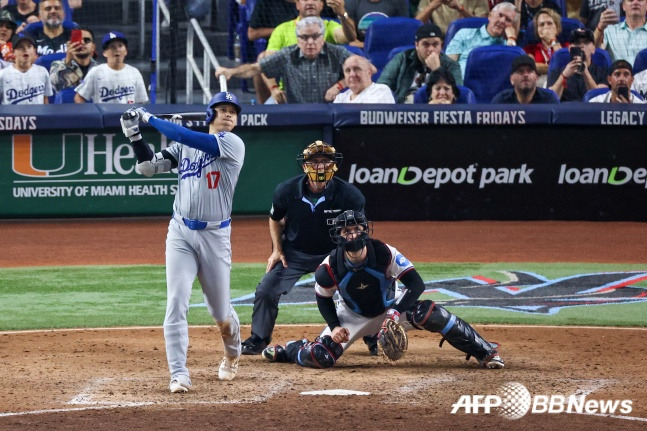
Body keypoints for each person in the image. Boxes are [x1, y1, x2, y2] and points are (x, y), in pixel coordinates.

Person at [261, 210, 505, 370]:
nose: (352, 234)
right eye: (347, 231)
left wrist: (397, 311)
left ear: (365, 230)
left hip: (391, 308)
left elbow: (416, 284)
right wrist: (335, 327)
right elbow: (323, 299)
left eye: (356, 228)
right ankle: (291, 349)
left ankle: (485, 352)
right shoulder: (328, 268)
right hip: (352, 318)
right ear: (339, 236)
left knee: (431, 313)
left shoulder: (384, 253)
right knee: (319, 357)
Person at [119, 92, 246, 392]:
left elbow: (183, 135)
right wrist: (134, 135)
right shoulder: (184, 148)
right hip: (180, 233)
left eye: (232, 111)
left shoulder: (232, 144)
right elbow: (148, 166)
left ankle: (232, 354)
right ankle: (179, 373)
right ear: (210, 115)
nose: (227, 115)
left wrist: (148, 117)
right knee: (176, 302)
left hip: (215, 236)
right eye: (221, 110)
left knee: (220, 314)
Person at [240, 141, 366, 355]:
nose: (320, 167)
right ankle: (259, 338)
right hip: (294, 254)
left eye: (325, 162)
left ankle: (372, 338)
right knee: (266, 289)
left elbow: (358, 229)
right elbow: (275, 219)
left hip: (334, 254)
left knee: (361, 286)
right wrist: (277, 251)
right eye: (315, 162)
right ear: (305, 165)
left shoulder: (349, 195)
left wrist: (351, 257)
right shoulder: (286, 190)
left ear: (333, 165)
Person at [216, 17, 351, 103]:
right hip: (294, 111)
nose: (310, 42)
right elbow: (255, 68)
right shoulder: (287, 55)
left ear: (322, 38)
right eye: (304, 37)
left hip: (330, 113)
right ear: (298, 40)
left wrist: (339, 86)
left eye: (315, 37)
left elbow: (368, 69)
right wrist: (231, 72)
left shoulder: (337, 52)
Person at [252, 0, 356, 104]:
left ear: (321, 5)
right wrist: (274, 88)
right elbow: (266, 62)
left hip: (330, 95)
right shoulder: (281, 29)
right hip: (289, 95)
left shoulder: (330, 26)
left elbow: (349, 37)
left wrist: (342, 14)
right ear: (297, 5)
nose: (310, 2)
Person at [378, 22, 462, 103]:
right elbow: (381, 87)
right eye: (426, 44)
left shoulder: (451, 65)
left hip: (436, 108)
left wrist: (437, 70)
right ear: (417, 45)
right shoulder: (402, 59)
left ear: (441, 45)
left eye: (435, 44)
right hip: (405, 108)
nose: (431, 49)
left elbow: (458, 94)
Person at [445, 2, 518, 77]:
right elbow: (448, 66)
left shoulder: (507, 46)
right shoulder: (464, 34)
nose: (502, 21)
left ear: (511, 26)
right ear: (490, 15)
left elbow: (512, 75)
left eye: (508, 20)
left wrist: (511, 38)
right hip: (461, 84)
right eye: (500, 15)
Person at [74, 31, 148, 104]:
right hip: (105, 115)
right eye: (112, 47)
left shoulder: (134, 72)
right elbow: (79, 97)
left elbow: (141, 101)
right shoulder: (96, 72)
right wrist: (89, 114)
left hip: (128, 114)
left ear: (126, 51)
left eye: (120, 46)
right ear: (104, 53)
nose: (117, 50)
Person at [548, 28, 608, 102]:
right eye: (577, 43)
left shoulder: (603, 73)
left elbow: (600, 101)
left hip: (592, 112)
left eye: (586, 42)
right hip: (566, 112)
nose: (581, 46)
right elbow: (550, 100)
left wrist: (585, 72)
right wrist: (564, 76)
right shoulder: (557, 72)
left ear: (593, 48)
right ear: (569, 48)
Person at [0, 32, 53, 104]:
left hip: (38, 114)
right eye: (21, 47)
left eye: (29, 46)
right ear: (13, 51)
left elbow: (45, 99)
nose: (25, 49)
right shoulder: (3, 74)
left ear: (34, 50)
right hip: (12, 115)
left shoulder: (42, 71)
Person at [594, 0, 647, 66]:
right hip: (618, 74)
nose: (635, 2)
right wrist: (600, 27)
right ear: (623, 6)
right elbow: (593, 50)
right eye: (631, 0)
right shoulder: (609, 30)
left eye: (640, 0)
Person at [523, 8, 566, 86]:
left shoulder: (566, 47)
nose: (546, 27)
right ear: (537, 30)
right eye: (541, 25)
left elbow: (564, 64)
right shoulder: (530, 49)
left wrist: (553, 40)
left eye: (549, 23)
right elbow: (531, 67)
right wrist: (555, 68)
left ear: (557, 28)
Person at [491, 55, 559, 103]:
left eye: (530, 71)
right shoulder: (501, 101)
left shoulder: (550, 100)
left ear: (536, 78)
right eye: (520, 71)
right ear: (512, 79)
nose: (526, 75)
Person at [49, 25, 97, 92]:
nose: (82, 43)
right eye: (78, 40)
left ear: (93, 47)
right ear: (69, 44)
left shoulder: (100, 69)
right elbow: (53, 84)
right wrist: (67, 62)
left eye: (86, 40)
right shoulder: (57, 65)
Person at [344, 0, 409, 44]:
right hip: (360, 50)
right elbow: (352, 40)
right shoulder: (351, 2)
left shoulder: (398, 2)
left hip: (389, 47)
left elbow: (403, 33)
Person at [415, 0, 489, 34]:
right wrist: (431, 6)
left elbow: (482, 27)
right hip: (438, 41)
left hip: (468, 41)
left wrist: (461, 9)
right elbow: (415, 25)